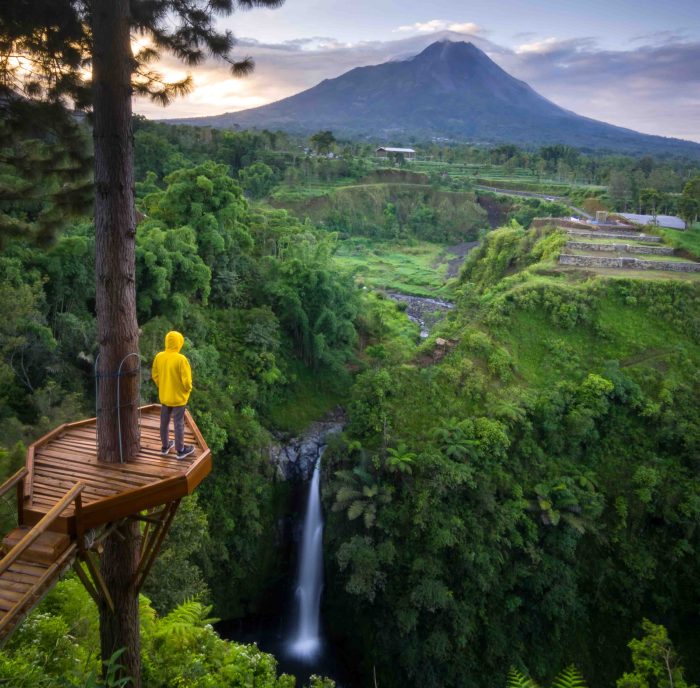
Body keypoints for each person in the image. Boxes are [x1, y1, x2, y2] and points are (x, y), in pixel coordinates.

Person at [151, 331, 195, 460]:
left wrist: (163, 385)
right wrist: (188, 389)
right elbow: (186, 382)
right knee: (178, 423)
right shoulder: (181, 359)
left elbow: (155, 375)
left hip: (165, 396)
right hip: (178, 398)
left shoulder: (159, 357)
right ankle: (180, 450)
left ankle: (165, 447)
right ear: (179, 343)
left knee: (164, 422)